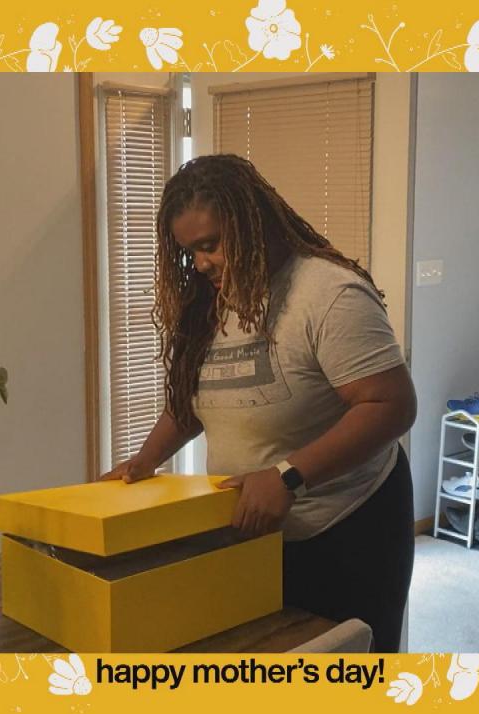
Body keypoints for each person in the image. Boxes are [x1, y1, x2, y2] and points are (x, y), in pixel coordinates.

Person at [98, 154, 418, 652]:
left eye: (211, 245)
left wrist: (288, 475)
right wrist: (145, 459)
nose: (201, 264)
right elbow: (194, 401)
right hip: (254, 534)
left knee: (347, 670)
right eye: (189, 252)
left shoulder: (329, 294)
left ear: (254, 223)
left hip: (349, 525)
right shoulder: (208, 302)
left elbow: (391, 405)